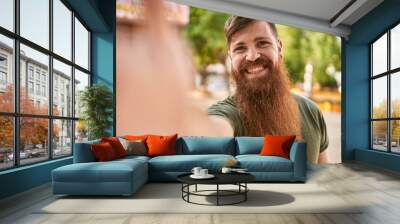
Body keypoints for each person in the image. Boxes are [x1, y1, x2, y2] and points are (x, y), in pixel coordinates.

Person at [208, 16, 329, 164]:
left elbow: (325, 177)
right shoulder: (226, 113)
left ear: (279, 48)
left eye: (262, 43)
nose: (252, 56)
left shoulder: (312, 111)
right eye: (240, 48)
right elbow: (213, 130)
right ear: (231, 57)